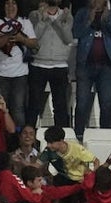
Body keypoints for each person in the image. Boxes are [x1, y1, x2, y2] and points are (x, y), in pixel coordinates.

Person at [73, 0, 111, 133]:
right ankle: (78, 134)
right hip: (85, 65)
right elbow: (76, 33)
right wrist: (89, 19)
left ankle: (105, 135)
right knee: (82, 103)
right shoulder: (82, 13)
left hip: (106, 66)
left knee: (106, 104)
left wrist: (107, 19)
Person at [0, 0, 38, 127]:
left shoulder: (25, 21)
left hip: (19, 73)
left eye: (14, 3)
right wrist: (12, 32)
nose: (10, 7)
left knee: (18, 109)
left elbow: (34, 44)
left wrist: (21, 38)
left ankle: (18, 139)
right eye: (7, 3)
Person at [26, 0, 73, 129]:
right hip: (39, 64)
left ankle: (61, 138)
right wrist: (44, 20)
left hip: (60, 65)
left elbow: (68, 38)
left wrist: (57, 21)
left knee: (60, 106)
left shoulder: (67, 15)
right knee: (34, 105)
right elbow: (33, 38)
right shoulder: (34, 14)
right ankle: (30, 137)